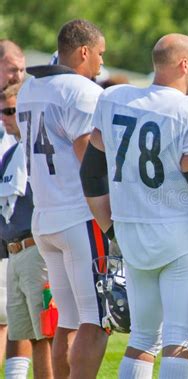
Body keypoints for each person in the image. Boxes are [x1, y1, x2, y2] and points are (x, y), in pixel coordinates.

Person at [79, 33, 188, 379]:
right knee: (178, 340)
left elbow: (91, 176)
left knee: (141, 338)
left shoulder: (115, 99)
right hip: (180, 237)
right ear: (184, 64)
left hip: (131, 231)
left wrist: (111, 230)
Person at [15, 19, 109, 378]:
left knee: (68, 320)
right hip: (78, 215)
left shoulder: (30, 88)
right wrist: (111, 220)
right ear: (83, 51)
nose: (102, 62)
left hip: (45, 216)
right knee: (96, 321)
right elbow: (91, 164)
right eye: (99, 54)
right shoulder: (82, 91)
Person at [0, 84, 53, 378]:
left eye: (11, 111)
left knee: (47, 333)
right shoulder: (10, 155)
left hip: (37, 249)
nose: (5, 118)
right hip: (14, 252)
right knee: (28, 335)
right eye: (2, 112)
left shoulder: (40, 150)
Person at [0, 39, 29, 376]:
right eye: (12, 68)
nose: (19, 75)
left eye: (22, 69)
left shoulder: (27, 104)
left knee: (15, 317)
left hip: (18, 224)